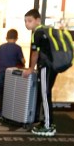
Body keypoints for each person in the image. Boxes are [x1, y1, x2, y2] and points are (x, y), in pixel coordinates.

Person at [24, 8, 57, 136]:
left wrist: (31, 69)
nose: (27, 24)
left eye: (30, 21)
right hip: (53, 66)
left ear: (38, 20)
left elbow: (35, 53)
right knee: (46, 94)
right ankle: (48, 122)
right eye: (25, 21)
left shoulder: (37, 33)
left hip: (45, 67)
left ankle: (48, 126)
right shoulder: (47, 30)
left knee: (45, 94)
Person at [0, 28, 26, 116]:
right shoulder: (18, 48)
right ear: (16, 38)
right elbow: (23, 61)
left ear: (6, 38)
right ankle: (10, 113)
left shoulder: (1, 47)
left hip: (1, 74)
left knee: (1, 93)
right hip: (12, 76)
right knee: (11, 94)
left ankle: (0, 112)